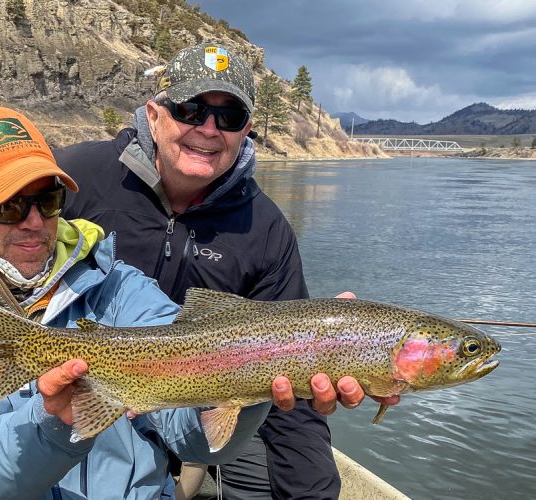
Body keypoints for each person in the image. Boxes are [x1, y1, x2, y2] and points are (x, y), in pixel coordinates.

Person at [0, 104, 303, 500]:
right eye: (8, 206)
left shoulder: (119, 287)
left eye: (47, 200)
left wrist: (250, 382)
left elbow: (191, 438)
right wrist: (54, 422)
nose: (34, 222)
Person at [56, 43, 397, 499]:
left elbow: (290, 383)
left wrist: (312, 492)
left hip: (223, 399)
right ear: (154, 113)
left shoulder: (267, 229)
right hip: (90, 379)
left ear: (247, 131)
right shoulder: (74, 177)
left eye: (229, 117)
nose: (209, 129)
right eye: (190, 109)